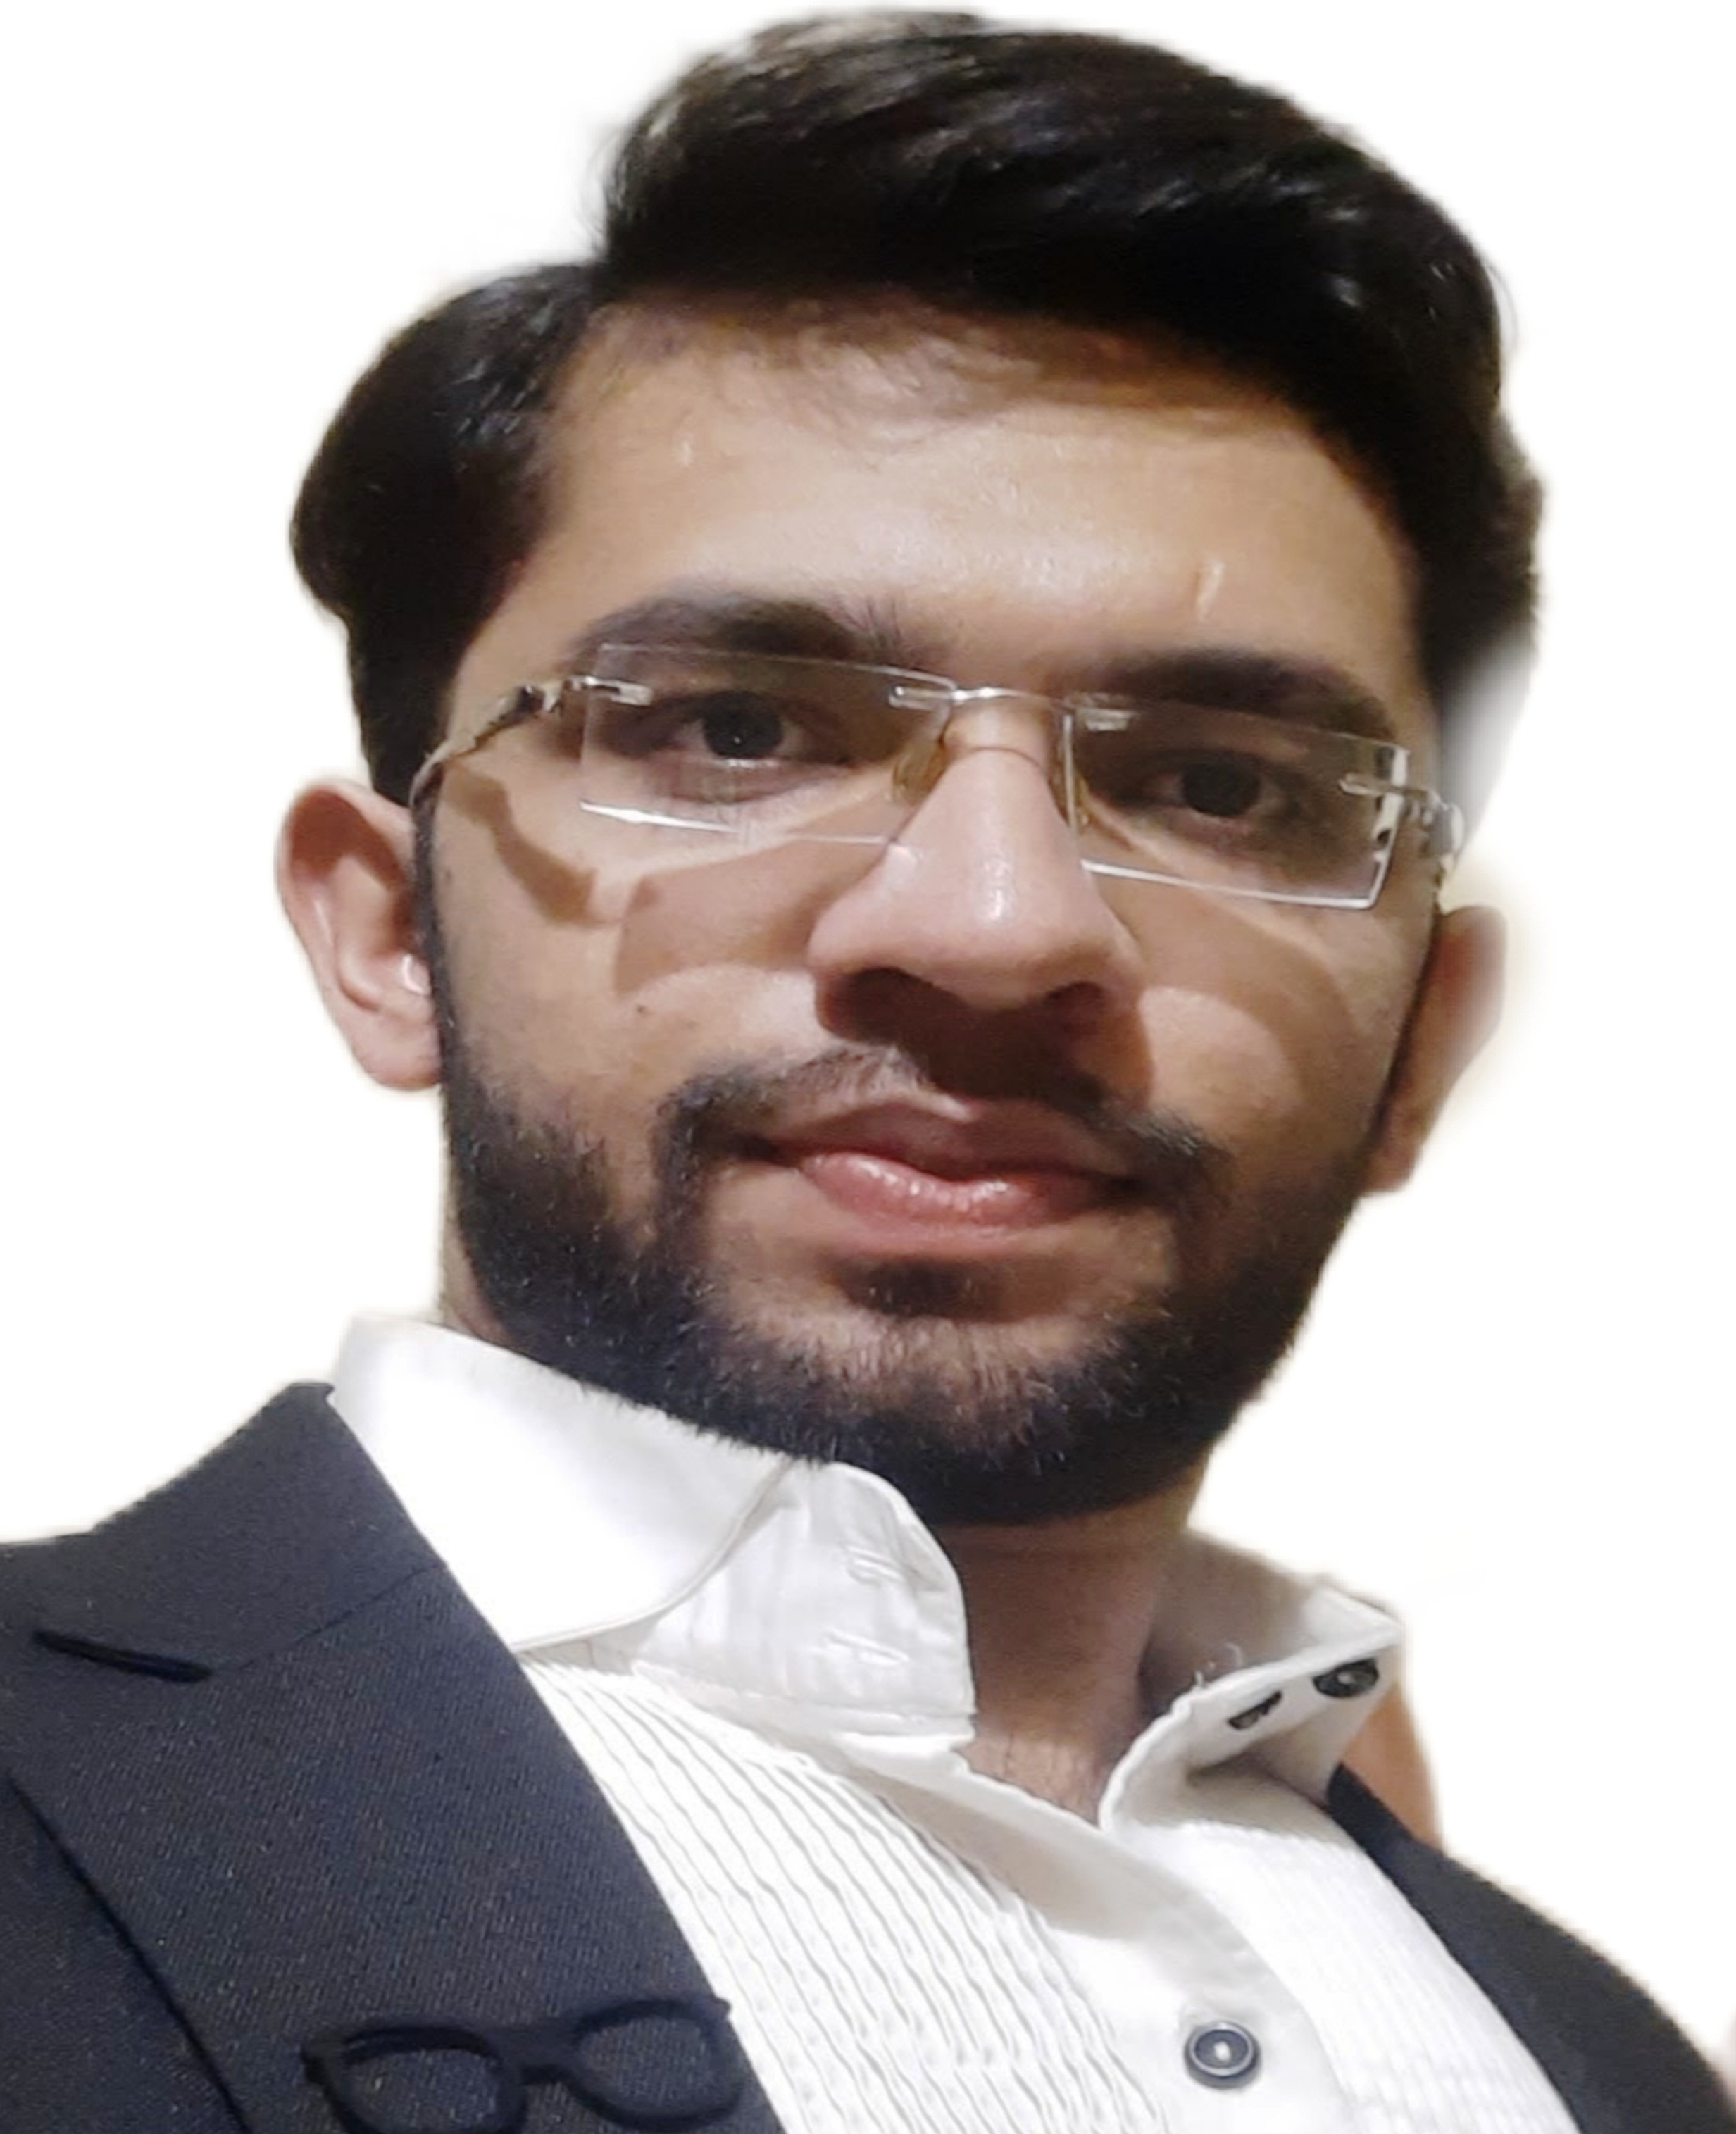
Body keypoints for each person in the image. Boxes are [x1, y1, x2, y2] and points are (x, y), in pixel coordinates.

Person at [1, 12, 1728, 2131]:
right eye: (735, 730)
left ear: (1423, 1041)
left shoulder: (1594, 2059)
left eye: (1218, 784)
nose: (995, 927)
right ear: (387, 932)